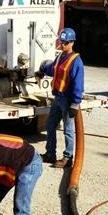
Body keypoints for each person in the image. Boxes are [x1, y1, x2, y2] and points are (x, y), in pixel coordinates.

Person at [37, 27, 84, 168]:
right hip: (57, 98)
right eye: (61, 42)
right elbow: (53, 69)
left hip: (67, 100)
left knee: (68, 130)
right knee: (50, 124)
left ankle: (68, 158)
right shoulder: (60, 57)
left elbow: (78, 84)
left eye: (65, 43)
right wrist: (42, 69)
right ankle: (50, 154)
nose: (62, 45)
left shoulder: (76, 62)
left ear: (72, 43)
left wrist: (75, 104)